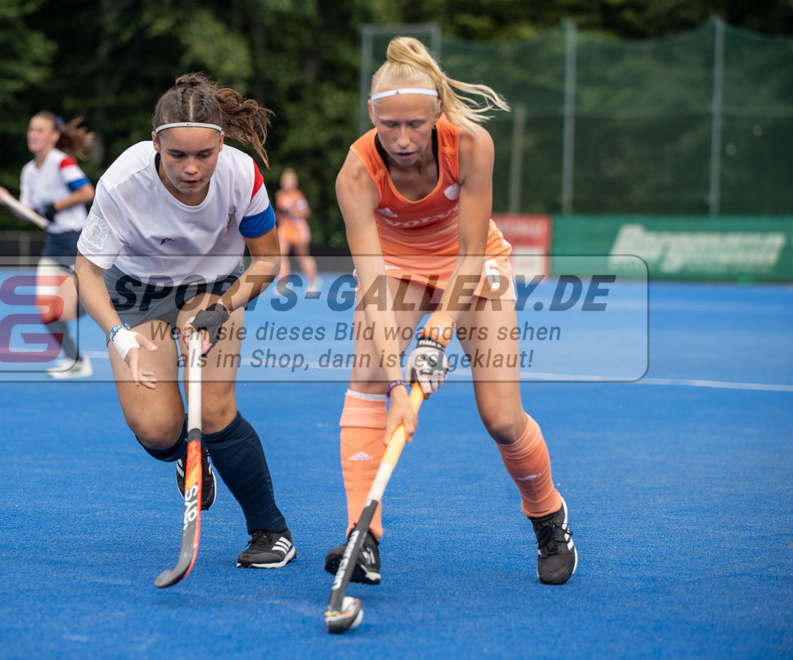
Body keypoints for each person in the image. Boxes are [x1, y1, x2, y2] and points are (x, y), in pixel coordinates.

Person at [325, 37, 577, 586]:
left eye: (415, 124)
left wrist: (438, 333)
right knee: (369, 380)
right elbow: (371, 287)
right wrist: (398, 384)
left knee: (503, 419)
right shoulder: (356, 173)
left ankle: (547, 514)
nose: (402, 138)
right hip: (395, 269)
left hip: (472, 263)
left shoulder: (470, 145)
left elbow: (469, 251)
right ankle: (360, 536)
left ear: (437, 110)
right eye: (389, 125)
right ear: (372, 116)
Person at [74, 73, 296, 569]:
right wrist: (119, 336)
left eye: (205, 154)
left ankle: (271, 530)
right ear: (156, 143)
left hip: (212, 289)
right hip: (137, 294)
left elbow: (266, 261)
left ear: (222, 142)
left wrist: (223, 306)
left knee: (213, 412)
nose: (192, 168)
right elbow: (86, 270)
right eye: (178, 155)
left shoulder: (244, 176)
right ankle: (186, 455)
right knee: (156, 428)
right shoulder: (122, 183)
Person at [0, 112, 96, 379]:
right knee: (47, 311)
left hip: (75, 241)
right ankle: (76, 361)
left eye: (40, 130)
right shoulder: (28, 171)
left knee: (73, 308)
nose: (33, 135)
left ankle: (104, 298)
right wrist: (5, 200)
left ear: (54, 136)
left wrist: (56, 206)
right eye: (31, 129)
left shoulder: (62, 162)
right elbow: (26, 213)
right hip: (53, 245)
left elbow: (87, 192)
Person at [274, 168, 320, 295]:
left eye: (290, 180)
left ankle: (313, 281)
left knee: (302, 256)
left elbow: (306, 212)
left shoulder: (298, 196)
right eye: (285, 180)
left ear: (295, 182)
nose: (287, 182)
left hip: (299, 230)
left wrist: (292, 213)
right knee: (281, 256)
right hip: (285, 229)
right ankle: (283, 283)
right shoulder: (280, 195)